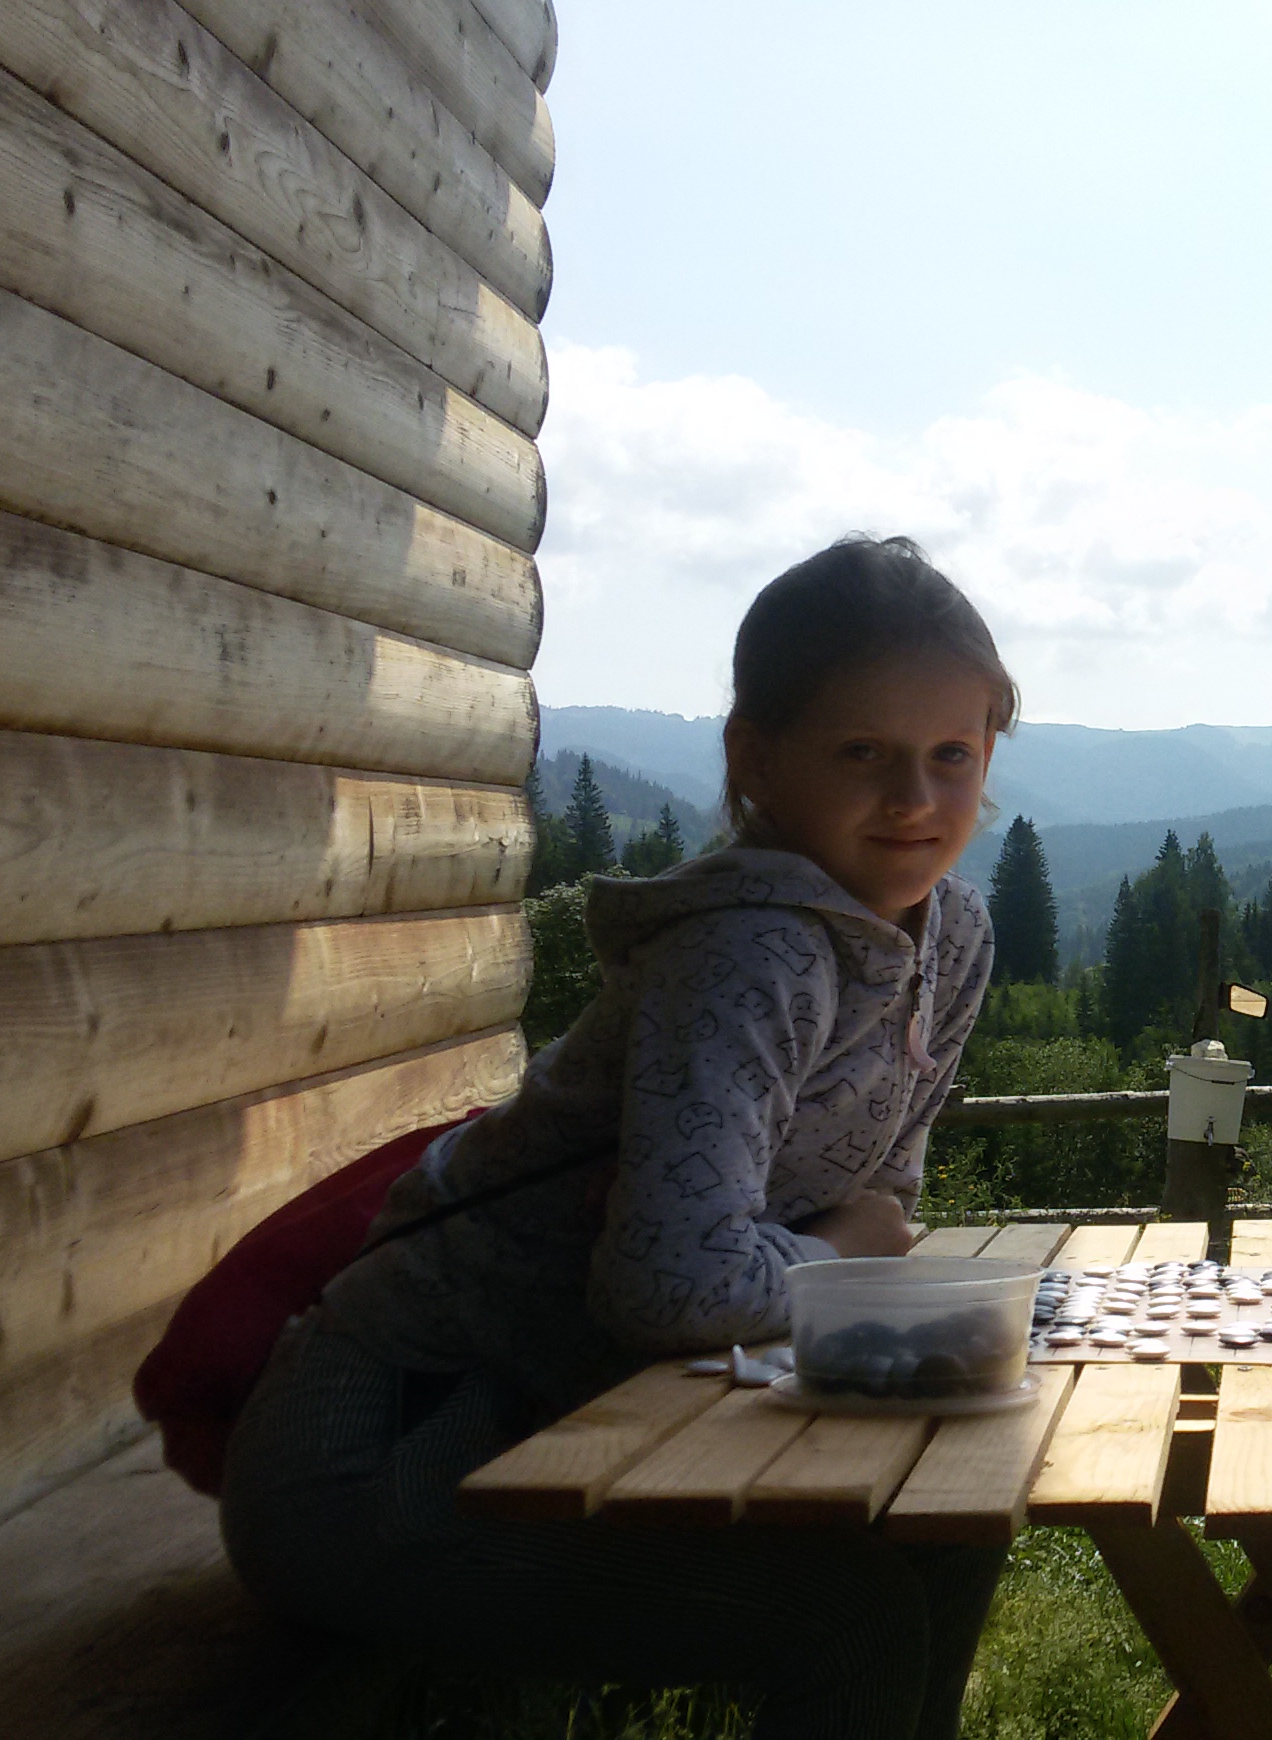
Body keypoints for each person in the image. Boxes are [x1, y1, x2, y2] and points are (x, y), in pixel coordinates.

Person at [222, 537, 1014, 1740]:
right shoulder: (749, 949)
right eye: (864, 752)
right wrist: (841, 1252)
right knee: (846, 1621)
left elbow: (875, 1197)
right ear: (756, 758)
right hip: (394, 1450)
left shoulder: (947, 937)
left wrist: (828, 1247)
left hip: (588, 1414)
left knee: (947, 1523)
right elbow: (678, 1282)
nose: (915, 798)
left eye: (952, 754)